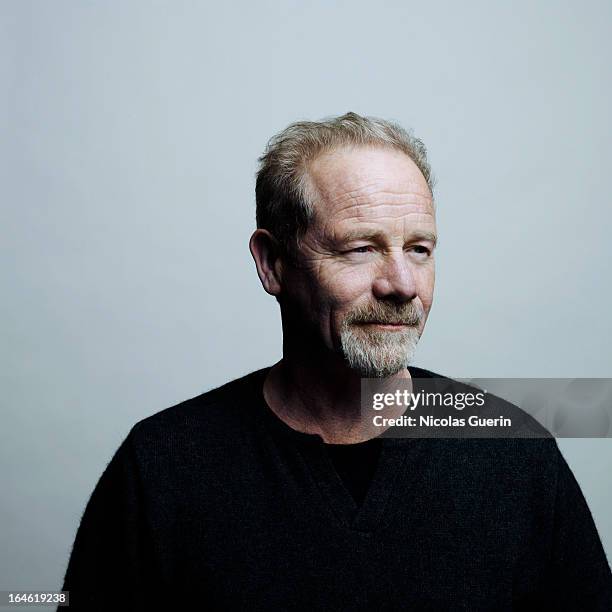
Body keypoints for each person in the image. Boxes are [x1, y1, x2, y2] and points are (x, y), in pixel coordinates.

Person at [60, 112, 612, 610]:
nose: (402, 285)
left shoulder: (512, 448)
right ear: (273, 263)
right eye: (360, 248)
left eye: (419, 248)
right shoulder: (164, 464)